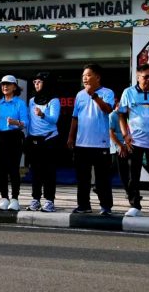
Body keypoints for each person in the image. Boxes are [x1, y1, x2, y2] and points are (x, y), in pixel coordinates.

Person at [119, 64, 149, 218]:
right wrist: (125, 135)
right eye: (145, 77)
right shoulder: (128, 92)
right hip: (134, 142)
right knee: (133, 176)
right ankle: (135, 206)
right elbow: (121, 115)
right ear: (138, 77)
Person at [67, 64, 114, 215]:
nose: (85, 78)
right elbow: (75, 117)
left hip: (101, 144)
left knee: (102, 178)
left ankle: (106, 206)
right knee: (82, 178)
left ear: (97, 77)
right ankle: (83, 205)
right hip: (82, 143)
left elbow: (107, 109)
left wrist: (93, 95)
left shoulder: (107, 92)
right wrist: (71, 136)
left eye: (88, 75)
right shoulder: (80, 95)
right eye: (83, 76)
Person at [0, 75, 28, 211]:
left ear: (14, 87)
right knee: (1, 170)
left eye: (8, 84)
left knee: (13, 169)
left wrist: (15, 122)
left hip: (14, 137)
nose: (5, 86)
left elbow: (25, 123)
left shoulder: (20, 103)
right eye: (3, 84)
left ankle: (15, 199)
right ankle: (4, 198)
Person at [25, 72, 60, 213]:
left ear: (46, 83)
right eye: (34, 82)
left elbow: (54, 119)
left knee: (49, 172)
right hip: (34, 140)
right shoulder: (32, 100)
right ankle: (35, 199)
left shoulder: (54, 100)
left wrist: (43, 114)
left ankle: (49, 201)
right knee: (36, 172)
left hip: (49, 139)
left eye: (39, 81)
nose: (36, 84)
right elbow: (29, 119)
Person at [109, 98, 130, 196]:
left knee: (115, 169)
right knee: (123, 170)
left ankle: (98, 186)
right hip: (118, 147)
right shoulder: (113, 115)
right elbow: (111, 133)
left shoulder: (125, 116)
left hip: (124, 145)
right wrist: (120, 145)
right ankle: (129, 192)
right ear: (117, 106)